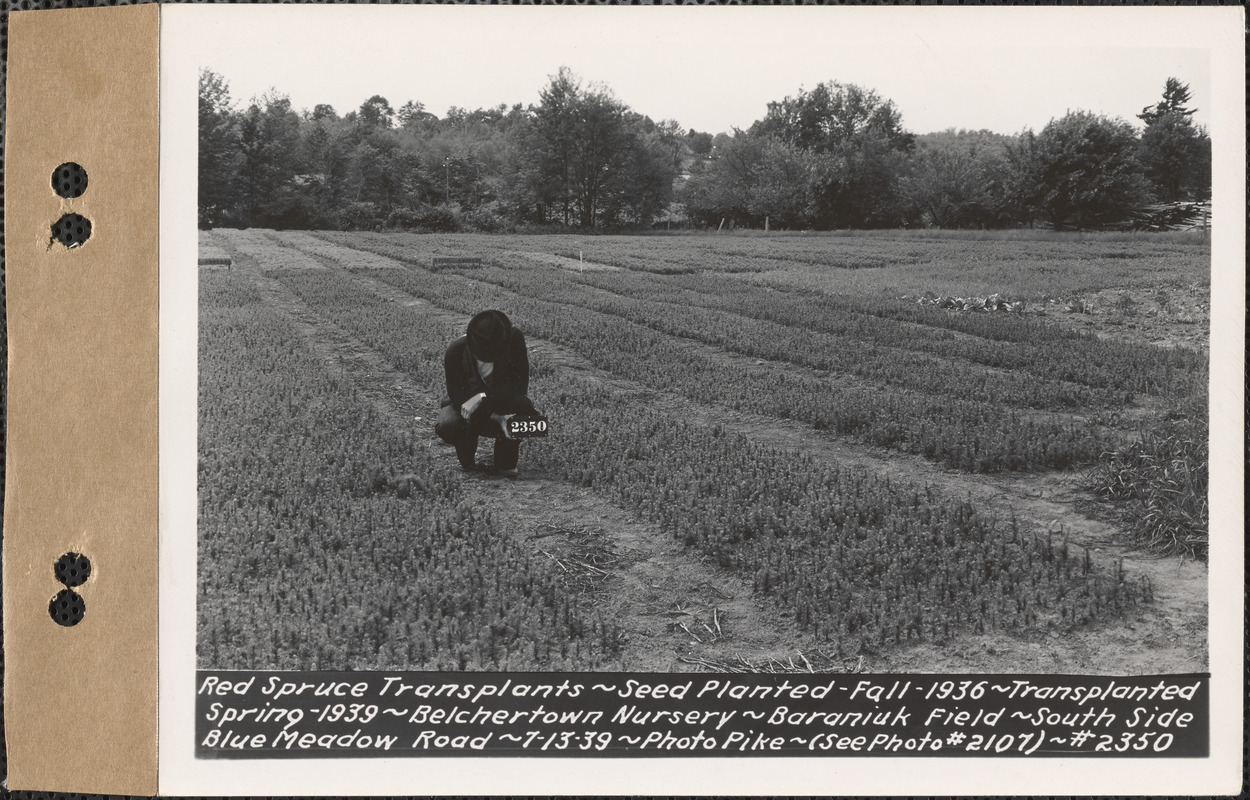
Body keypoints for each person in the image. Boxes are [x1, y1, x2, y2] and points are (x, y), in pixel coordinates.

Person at [435, 309, 536, 478]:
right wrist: (492, 415)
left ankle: (505, 459)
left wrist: (482, 397)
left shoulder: (515, 339)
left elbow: (519, 388)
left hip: (503, 404)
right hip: (470, 411)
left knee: (527, 412)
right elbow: (457, 396)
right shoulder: (456, 351)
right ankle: (468, 456)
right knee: (448, 423)